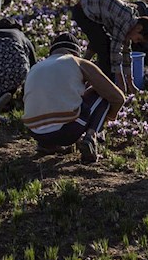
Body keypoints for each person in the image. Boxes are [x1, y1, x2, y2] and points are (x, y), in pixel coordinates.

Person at [22, 32, 125, 163]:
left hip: (35, 132)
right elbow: (117, 97)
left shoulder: (35, 67)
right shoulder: (77, 62)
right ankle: (91, 137)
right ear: (76, 52)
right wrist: (108, 117)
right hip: (67, 132)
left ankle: (47, 145)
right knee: (102, 94)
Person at [70, 0, 148, 91]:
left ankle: (80, 70)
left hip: (92, 13)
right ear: (139, 28)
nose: (136, 42)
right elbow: (115, 51)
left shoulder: (131, 25)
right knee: (105, 50)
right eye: (138, 39)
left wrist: (130, 83)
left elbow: (126, 53)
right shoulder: (125, 21)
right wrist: (120, 83)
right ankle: (103, 87)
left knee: (99, 41)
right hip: (83, 11)